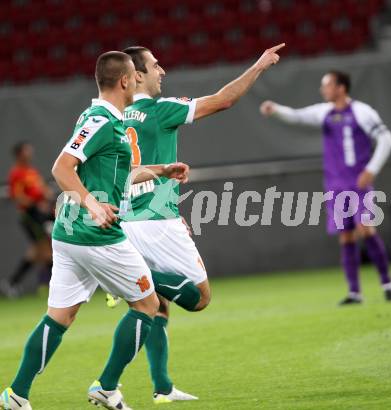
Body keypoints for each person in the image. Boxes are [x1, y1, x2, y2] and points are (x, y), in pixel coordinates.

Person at [0, 51, 190, 410]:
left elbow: (119, 173)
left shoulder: (100, 118)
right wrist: (93, 204)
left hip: (69, 234)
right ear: (123, 81)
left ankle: (16, 395)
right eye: (135, 75)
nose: (138, 81)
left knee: (60, 316)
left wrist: (162, 170)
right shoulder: (102, 119)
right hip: (94, 233)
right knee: (148, 305)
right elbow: (61, 169)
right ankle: (106, 387)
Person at [103, 43, 285, 404]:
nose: (162, 70)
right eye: (155, 65)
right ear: (136, 75)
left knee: (153, 306)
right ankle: (124, 277)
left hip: (126, 221)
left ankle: (157, 386)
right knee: (200, 297)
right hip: (156, 221)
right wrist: (259, 65)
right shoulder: (159, 110)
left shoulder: (113, 116)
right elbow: (222, 100)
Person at [260, 70, 391, 305]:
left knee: (366, 229)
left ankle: (388, 284)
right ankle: (355, 292)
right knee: (346, 237)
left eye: (328, 85)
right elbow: (298, 116)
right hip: (335, 186)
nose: (323, 90)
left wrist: (371, 169)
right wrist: (276, 110)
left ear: (341, 88)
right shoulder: (324, 112)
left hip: (358, 183)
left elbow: (387, 140)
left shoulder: (363, 112)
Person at [2, 142, 54, 297]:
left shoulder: (31, 171)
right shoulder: (16, 173)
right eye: (26, 150)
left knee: (37, 251)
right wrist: (35, 204)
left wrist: (45, 197)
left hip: (39, 213)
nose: (30, 152)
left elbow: (42, 190)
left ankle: (13, 282)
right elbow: (18, 197)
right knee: (45, 250)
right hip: (30, 216)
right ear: (19, 154)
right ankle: (49, 284)